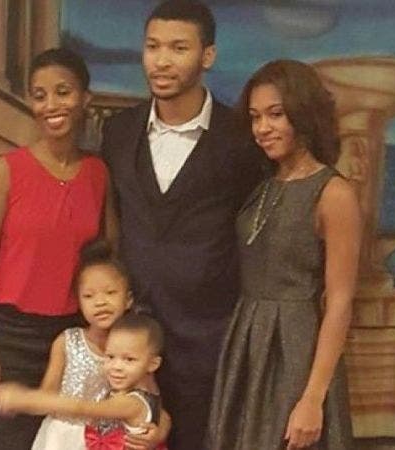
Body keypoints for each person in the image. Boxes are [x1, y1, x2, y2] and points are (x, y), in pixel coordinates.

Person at [100, 2, 263, 448]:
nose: (162, 61)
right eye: (153, 46)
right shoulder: (118, 132)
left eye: (178, 48)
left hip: (208, 345)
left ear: (207, 56)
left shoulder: (241, 139)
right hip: (130, 344)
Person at [208, 59, 361, 450]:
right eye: (255, 117)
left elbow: (340, 302)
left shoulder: (334, 193)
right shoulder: (263, 185)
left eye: (275, 114)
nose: (262, 128)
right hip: (247, 341)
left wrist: (312, 398)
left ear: (303, 113)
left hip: (296, 348)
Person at [0, 47, 116, 450]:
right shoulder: (3, 172)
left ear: (85, 98)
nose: (51, 104)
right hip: (8, 338)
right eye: (39, 95)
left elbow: (109, 257)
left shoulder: (98, 174)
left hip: (70, 339)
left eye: (63, 92)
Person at [26, 242, 169, 449]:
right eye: (89, 296)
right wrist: (24, 400)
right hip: (63, 438)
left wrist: (160, 430)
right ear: (79, 302)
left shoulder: (136, 344)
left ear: (128, 299)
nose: (100, 302)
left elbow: (152, 401)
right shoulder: (67, 341)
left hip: (111, 442)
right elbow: (45, 397)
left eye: (110, 293)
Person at [0, 312, 168, 450]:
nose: (116, 366)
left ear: (153, 364)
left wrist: (24, 398)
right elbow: (163, 416)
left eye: (129, 359)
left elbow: (81, 407)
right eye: (110, 357)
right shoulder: (148, 389)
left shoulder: (130, 402)